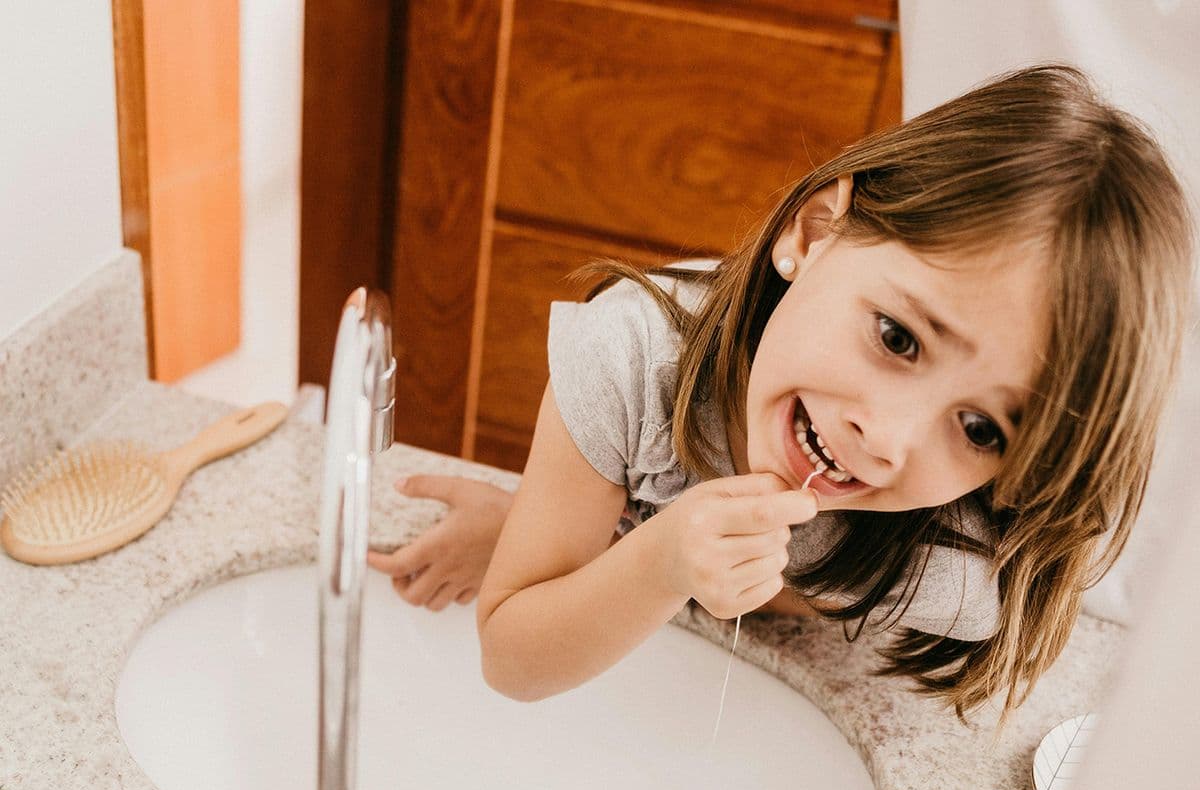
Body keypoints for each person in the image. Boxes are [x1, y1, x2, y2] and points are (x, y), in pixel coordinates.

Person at [366, 64, 1194, 730]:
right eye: (898, 338)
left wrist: (637, 562)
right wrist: (643, 559)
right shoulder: (634, 358)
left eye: (980, 428)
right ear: (814, 232)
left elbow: (800, 593)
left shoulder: (958, 566)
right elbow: (512, 660)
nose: (887, 439)